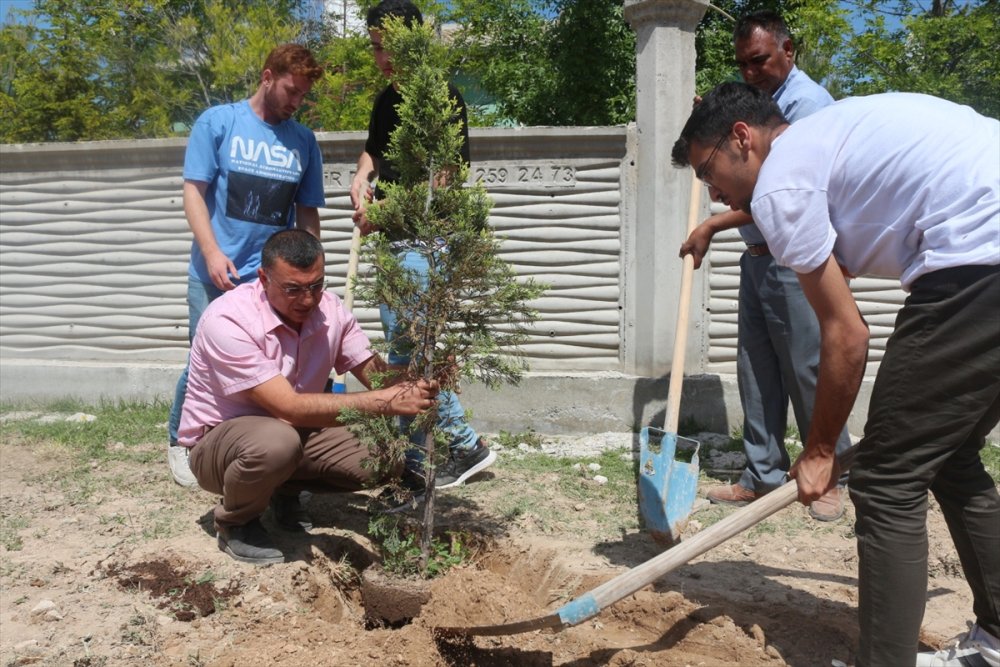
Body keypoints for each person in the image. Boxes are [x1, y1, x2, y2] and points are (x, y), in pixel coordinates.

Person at [672, 82, 999, 667]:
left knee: (887, 481)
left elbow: (847, 337)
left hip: (979, 261)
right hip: (985, 250)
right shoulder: (828, 137)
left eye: (707, 171)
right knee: (948, 453)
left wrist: (820, 448)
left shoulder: (781, 183)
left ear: (741, 138)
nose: (713, 192)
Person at [178, 229, 439, 565]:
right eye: (293, 289)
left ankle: (282, 491)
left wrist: (421, 379)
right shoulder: (228, 320)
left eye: (316, 285)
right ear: (263, 278)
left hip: (293, 433)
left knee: (384, 456)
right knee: (276, 442)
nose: (307, 299)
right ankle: (236, 522)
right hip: (219, 446)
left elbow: (377, 376)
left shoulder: (330, 311)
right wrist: (385, 403)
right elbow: (288, 407)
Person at [680, 11, 851, 522]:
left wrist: (711, 224)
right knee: (755, 369)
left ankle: (831, 476)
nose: (750, 72)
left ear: (788, 50)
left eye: (759, 60)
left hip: (796, 254)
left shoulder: (806, 106)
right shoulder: (760, 106)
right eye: (742, 65)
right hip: (758, 257)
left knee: (808, 366)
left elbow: (785, 191)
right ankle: (762, 473)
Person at [348, 0, 495, 490]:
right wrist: (360, 177)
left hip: (424, 242)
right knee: (401, 350)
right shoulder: (384, 101)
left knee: (413, 351)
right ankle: (413, 460)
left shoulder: (442, 98)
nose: (383, 56)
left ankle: (464, 444)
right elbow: (373, 149)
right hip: (391, 241)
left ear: (414, 42)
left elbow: (446, 178)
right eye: (375, 47)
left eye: (390, 46)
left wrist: (384, 212)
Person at [167, 44, 326, 489]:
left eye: (303, 96)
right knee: (202, 359)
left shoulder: (303, 141)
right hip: (216, 274)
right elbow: (194, 193)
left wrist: (312, 268)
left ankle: (273, 450)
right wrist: (213, 252)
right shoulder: (218, 123)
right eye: (291, 91)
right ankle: (182, 443)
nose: (296, 102)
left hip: (273, 283)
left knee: (280, 366)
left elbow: (307, 211)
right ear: (267, 75)